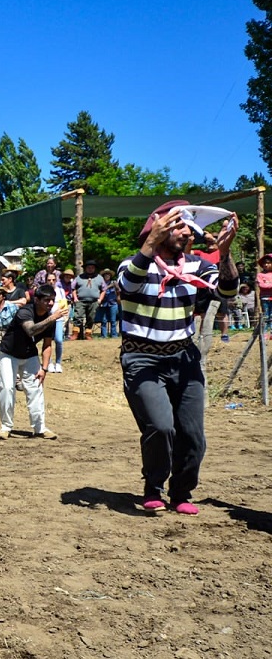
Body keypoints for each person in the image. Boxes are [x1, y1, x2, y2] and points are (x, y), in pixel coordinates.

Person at [118, 200, 238, 515]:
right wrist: (149, 243)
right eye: (181, 226)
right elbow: (127, 287)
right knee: (161, 426)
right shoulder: (135, 264)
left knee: (193, 436)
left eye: (191, 228)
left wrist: (224, 254)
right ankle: (153, 487)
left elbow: (227, 292)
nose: (189, 233)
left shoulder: (198, 265)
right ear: (160, 228)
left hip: (185, 359)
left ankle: (182, 493)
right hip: (142, 359)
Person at [0, 283, 65, 440]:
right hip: (8, 353)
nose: (51, 304)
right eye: (47, 300)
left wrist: (44, 369)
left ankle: (40, 428)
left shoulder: (49, 318)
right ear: (37, 300)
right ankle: (6, 427)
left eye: (53, 300)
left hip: (29, 354)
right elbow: (31, 330)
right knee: (7, 388)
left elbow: (47, 345)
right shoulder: (25, 311)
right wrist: (52, 318)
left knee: (36, 389)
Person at [72, 260, 105, 339]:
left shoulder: (100, 278)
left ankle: (88, 334)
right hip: (80, 301)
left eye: (92, 268)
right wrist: (75, 298)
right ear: (85, 268)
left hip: (94, 301)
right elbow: (73, 288)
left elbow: (104, 290)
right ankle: (75, 334)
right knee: (78, 317)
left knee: (91, 318)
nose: (90, 269)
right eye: (88, 267)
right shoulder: (79, 277)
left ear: (94, 269)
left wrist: (100, 299)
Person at [46, 270, 71, 372]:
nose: (51, 282)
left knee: (59, 340)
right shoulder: (44, 291)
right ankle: (49, 362)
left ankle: (58, 363)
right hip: (48, 319)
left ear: (56, 280)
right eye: (49, 280)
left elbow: (64, 304)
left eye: (53, 280)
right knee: (48, 342)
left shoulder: (60, 291)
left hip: (59, 319)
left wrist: (61, 313)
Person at [97, 268, 120, 338]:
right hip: (103, 303)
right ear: (103, 275)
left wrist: (115, 287)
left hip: (113, 303)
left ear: (110, 275)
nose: (107, 275)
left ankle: (114, 335)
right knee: (103, 320)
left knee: (113, 320)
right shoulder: (100, 283)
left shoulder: (114, 282)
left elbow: (118, 289)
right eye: (105, 274)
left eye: (108, 274)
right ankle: (104, 335)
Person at [258, 254, 272, 326]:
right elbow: (261, 285)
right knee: (266, 316)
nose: (266, 265)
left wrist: (268, 284)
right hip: (265, 298)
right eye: (264, 263)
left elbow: (265, 285)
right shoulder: (260, 275)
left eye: (269, 263)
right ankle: (265, 332)